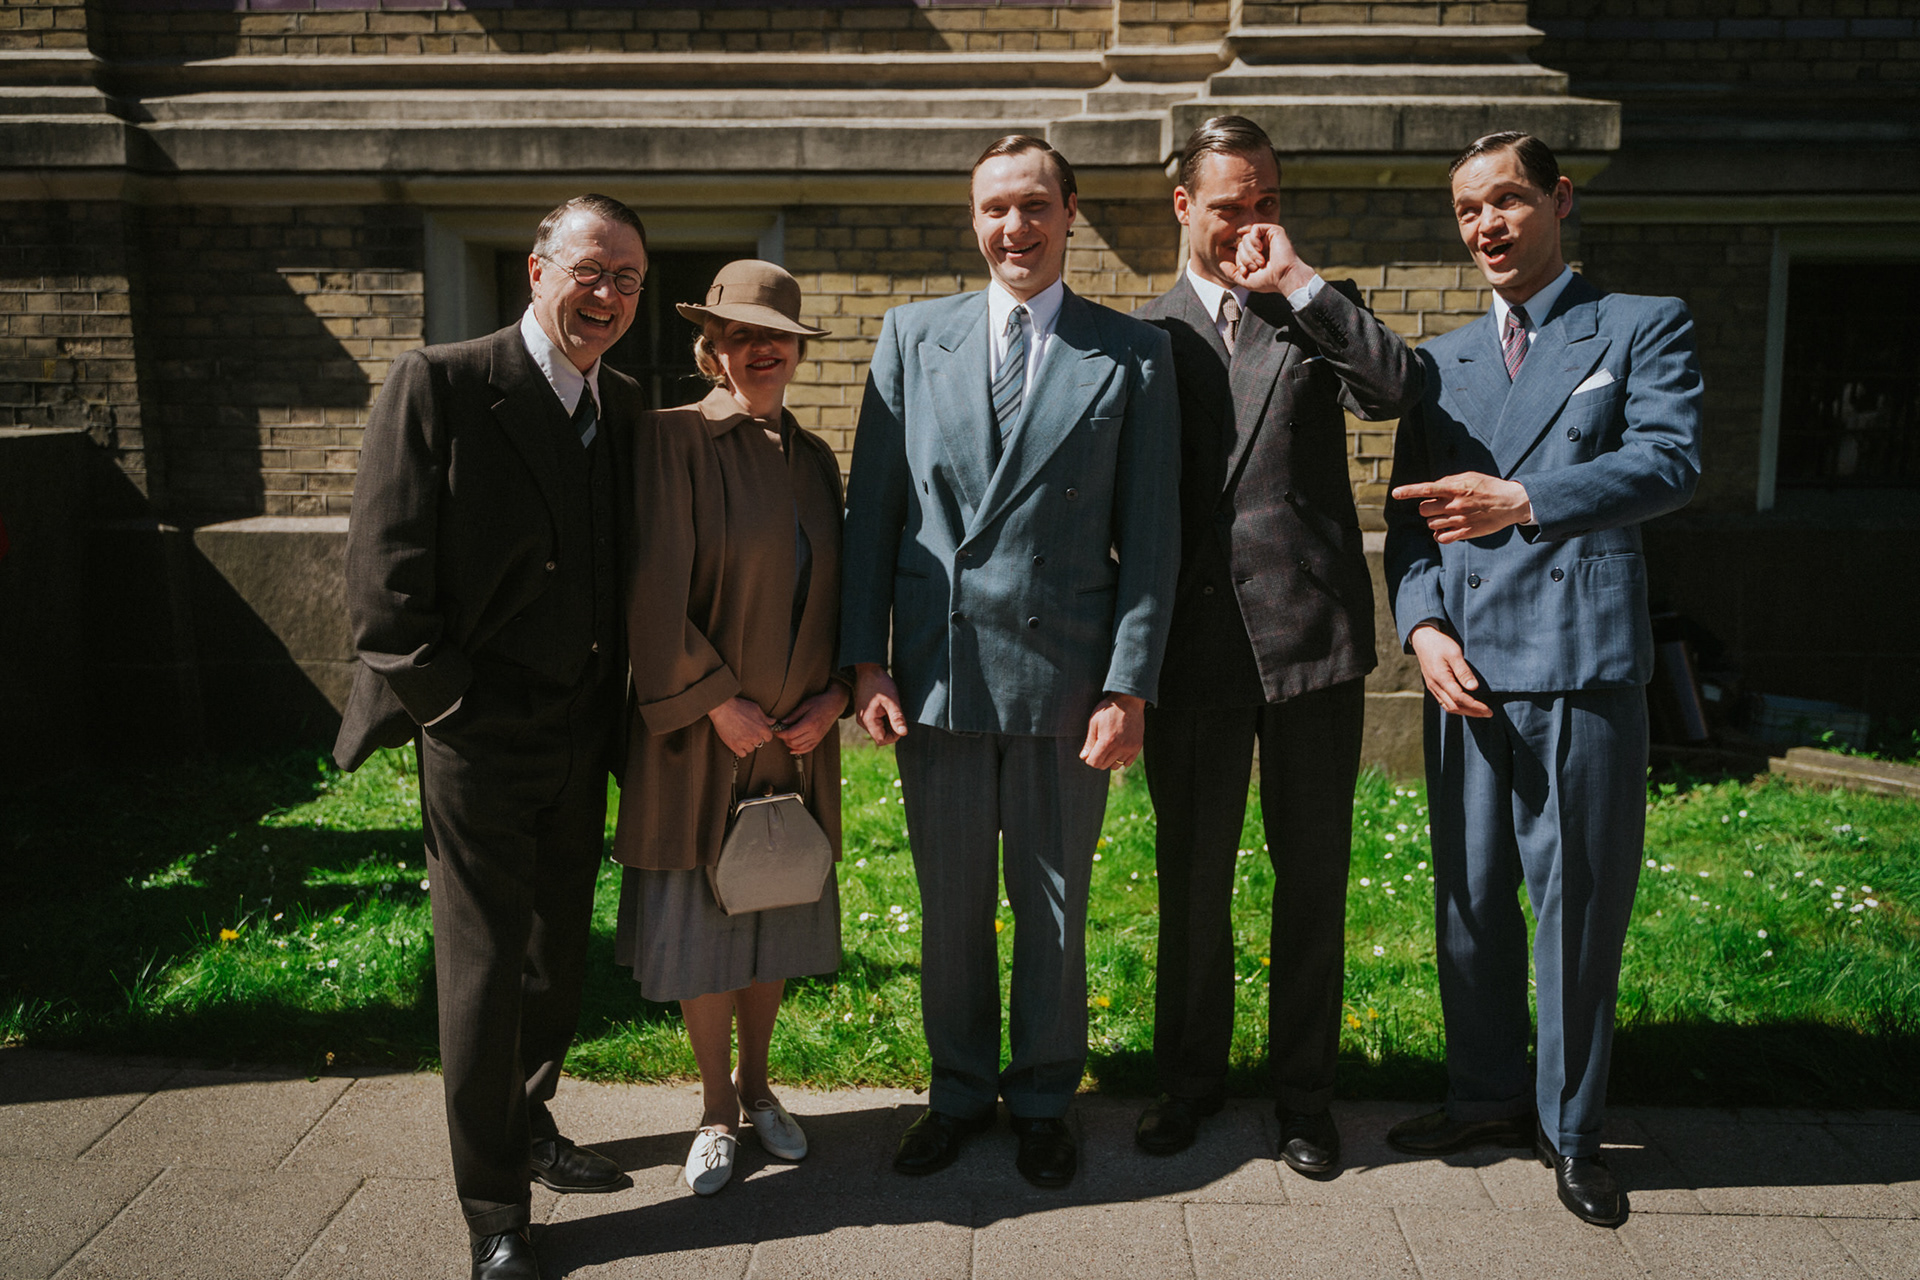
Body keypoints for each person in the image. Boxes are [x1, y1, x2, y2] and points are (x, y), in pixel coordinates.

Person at [840, 134, 1181, 1190]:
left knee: (1053, 907)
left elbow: (1152, 535)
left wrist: (1129, 684)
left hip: (1064, 678)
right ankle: (955, 1090)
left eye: (1034, 205)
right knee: (949, 907)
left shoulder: (1131, 352)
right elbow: (872, 514)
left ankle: (1041, 1096)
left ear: (1070, 212)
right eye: (994, 208)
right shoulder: (912, 336)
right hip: (936, 676)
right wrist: (863, 662)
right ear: (973, 218)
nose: (1013, 228)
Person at [1383, 131, 1702, 1228]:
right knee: (1470, 901)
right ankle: (1482, 1097)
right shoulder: (1441, 361)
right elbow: (1410, 525)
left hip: (1576, 663)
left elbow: (1671, 460)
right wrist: (1422, 627)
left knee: (1574, 909)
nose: (1488, 226)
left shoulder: (1638, 323)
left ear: (1560, 199)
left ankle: (1571, 1132)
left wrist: (1526, 500)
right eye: (1469, 210)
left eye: (1508, 200)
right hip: (1465, 665)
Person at [334, 194, 647, 1280]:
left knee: (554, 957)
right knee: (482, 971)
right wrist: (452, 709)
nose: (607, 296)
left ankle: (531, 1121)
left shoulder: (625, 403)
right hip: (477, 733)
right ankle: (493, 1208)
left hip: (584, 728)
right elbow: (383, 583)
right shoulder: (445, 382)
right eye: (590, 271)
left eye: (627, 280)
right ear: (537, 268)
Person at [1130, 116, 1421, 1175]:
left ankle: (1305, 1097)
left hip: (1312, 639)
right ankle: (1189, 1083)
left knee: (1312, 882)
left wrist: (1300, 282)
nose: (1250, 223)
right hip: (1193, 649)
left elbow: (1396, 389)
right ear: (1183, 207)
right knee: (1192, 882)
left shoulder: (1312, 311)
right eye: (1229, 207)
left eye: (1267, 203)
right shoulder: (1142, 334)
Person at [608, 259, 846, 1199]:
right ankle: (714, 1110)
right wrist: (713, 700)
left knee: (772, 909)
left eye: (776, 336)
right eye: (741, 335)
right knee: (704, 922)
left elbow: (833, 598)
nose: (760, 350)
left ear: (796, 350)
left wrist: (833, 698)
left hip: (793, 738)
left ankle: (758, 1086)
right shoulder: (673, 439)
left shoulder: (814, 459)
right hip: (701, 733)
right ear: (713, 347)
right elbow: (649, 588)